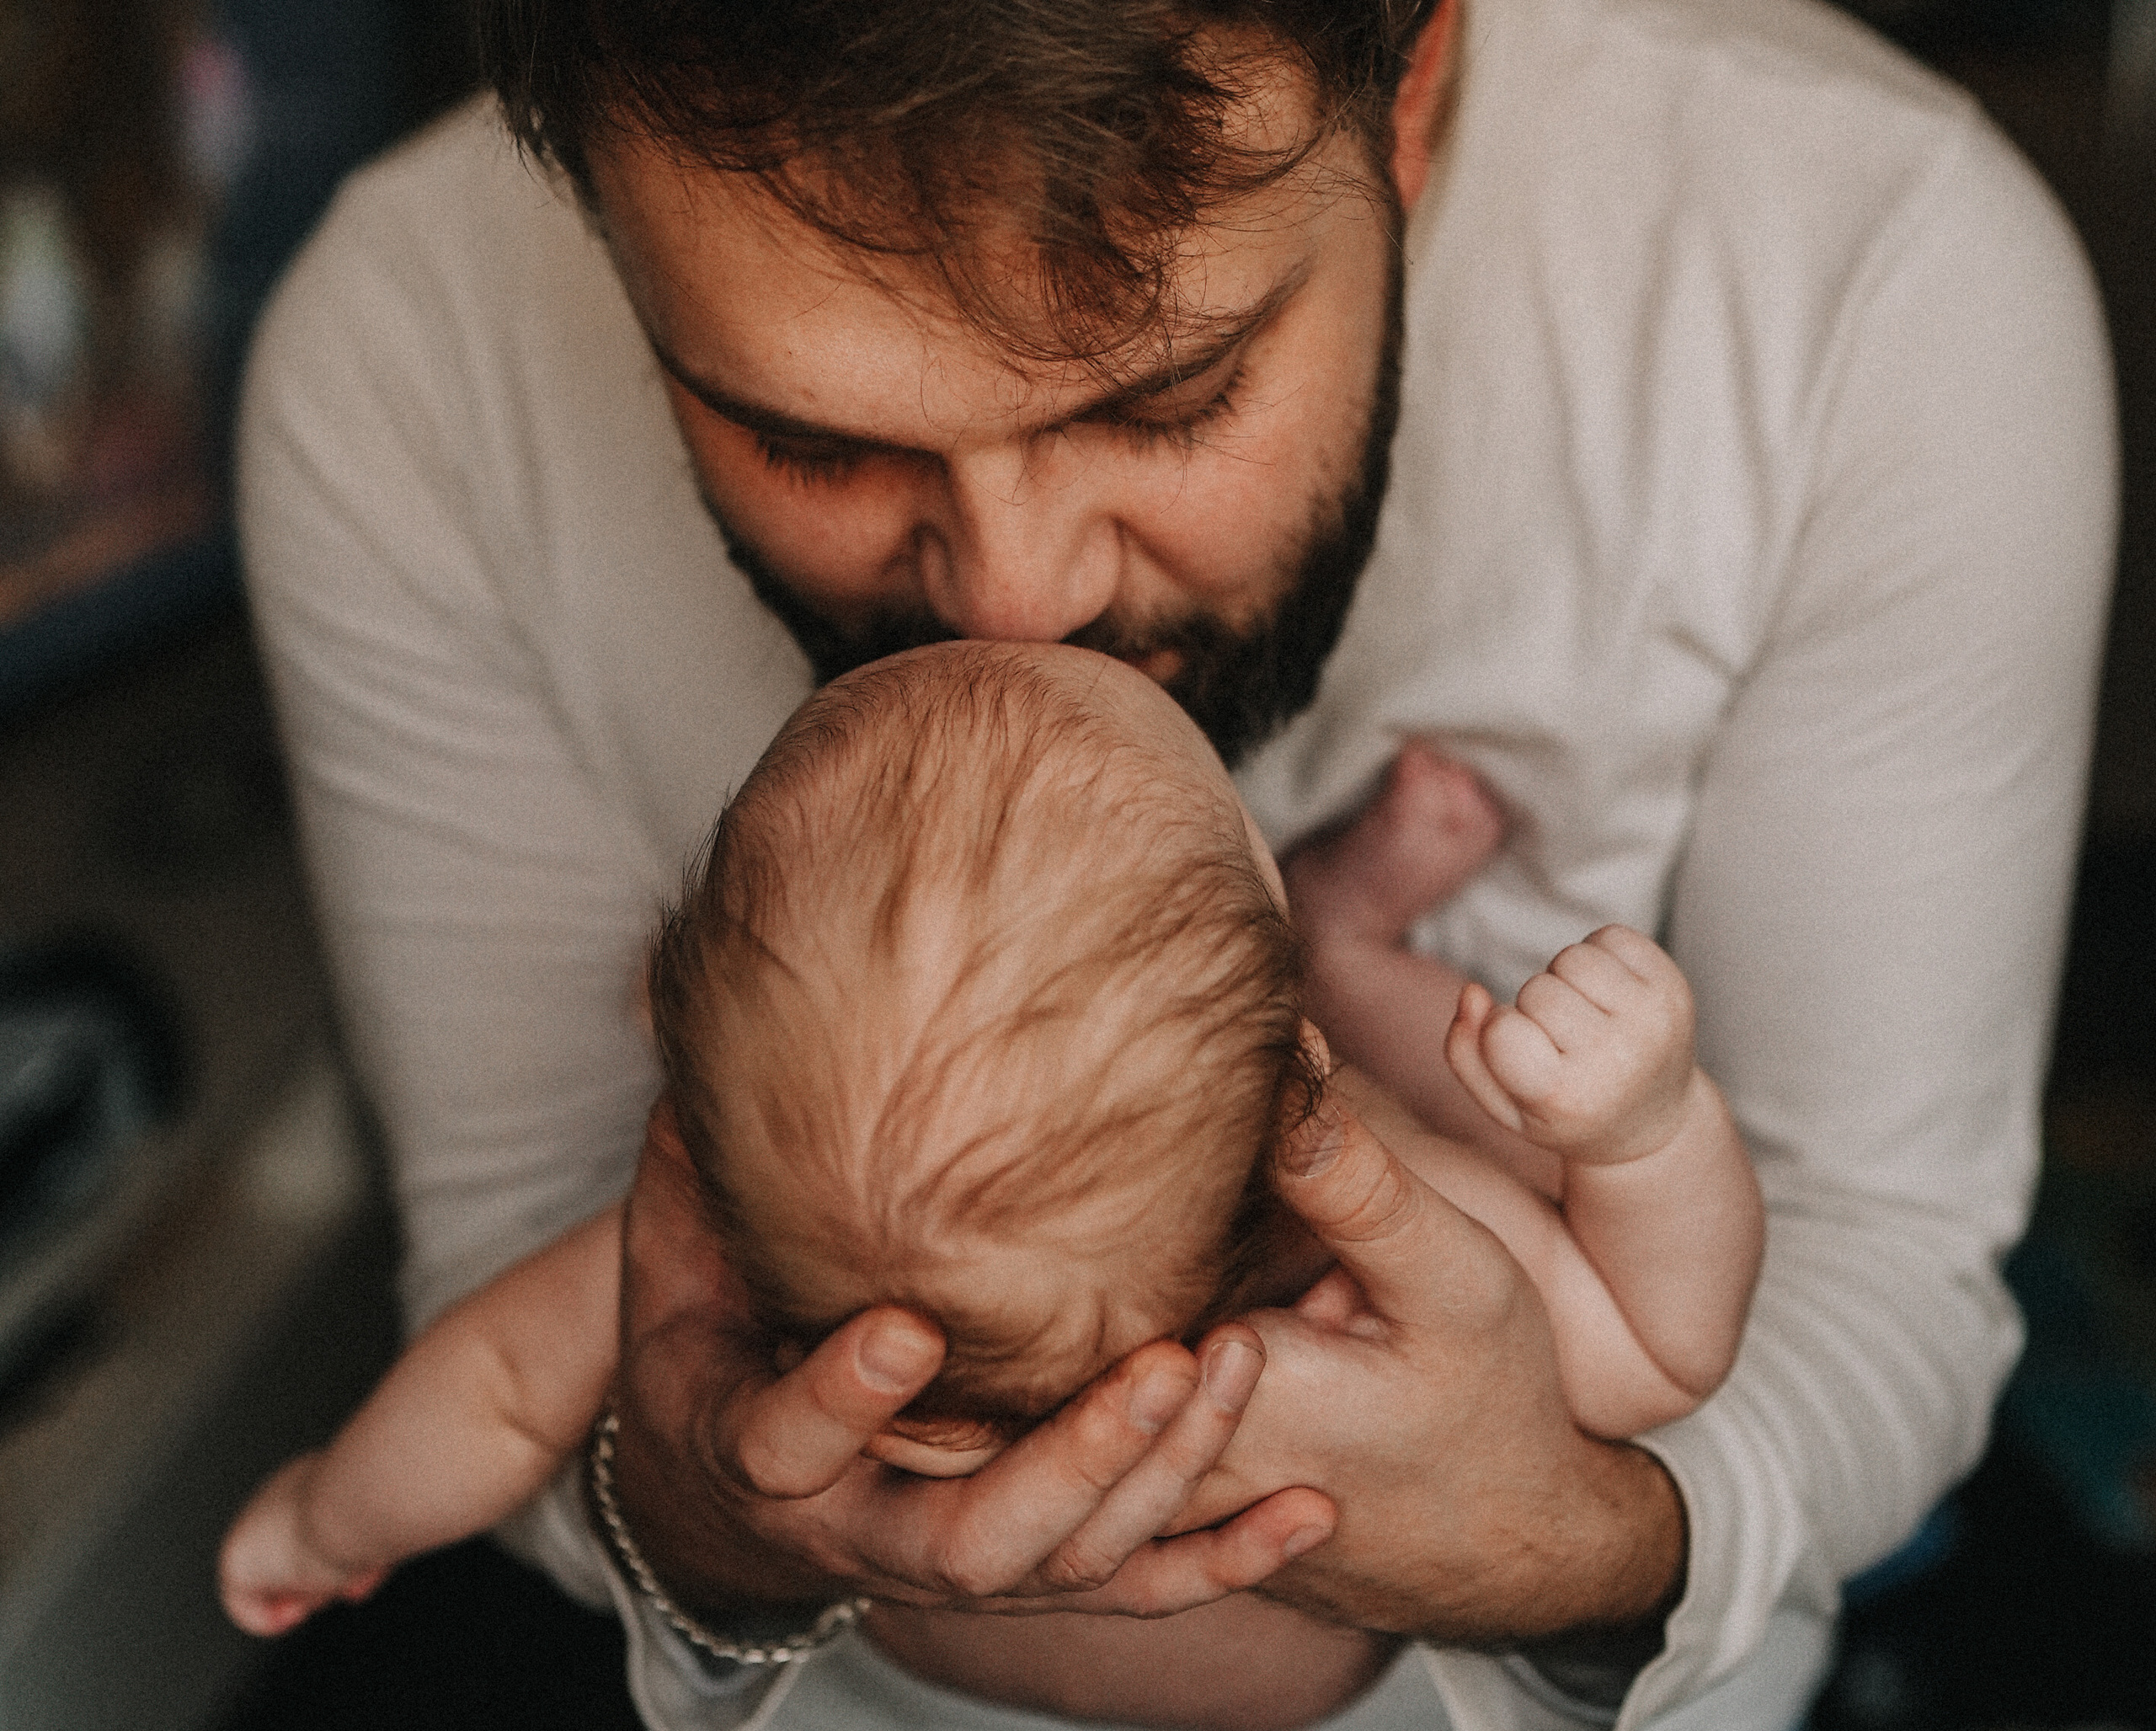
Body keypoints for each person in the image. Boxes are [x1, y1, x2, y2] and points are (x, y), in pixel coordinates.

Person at [234, 0, 2117, 1723]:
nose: (1012, 595)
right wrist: (712, 1532)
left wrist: (1571, 1545)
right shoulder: (407, 361)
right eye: (803, 435)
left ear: (1414, 85)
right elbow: (515, 1284)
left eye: (1161, 394)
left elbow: (1875, 1262)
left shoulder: (1877, 280)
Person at [218, 643, 1761, 1721]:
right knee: (1459, 1090)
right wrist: (1642, 1130)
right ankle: (1363, 955)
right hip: (1336, 1719)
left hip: (892, 1697)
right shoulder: (1345, 1243)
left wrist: (322, 1522)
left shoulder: (748, 1282)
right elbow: (1657, 1347)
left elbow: (490, 1388)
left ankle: (1354, 937)